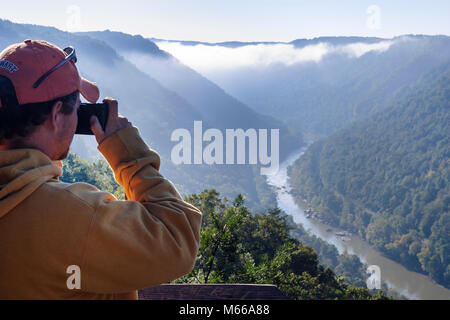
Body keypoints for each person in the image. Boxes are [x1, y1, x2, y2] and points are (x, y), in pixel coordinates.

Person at [0, 40, 202, 299]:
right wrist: (129, 155)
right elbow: (179, 238)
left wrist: (48, 154)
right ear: (57, 113)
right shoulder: (76, 217)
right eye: (76, 107)